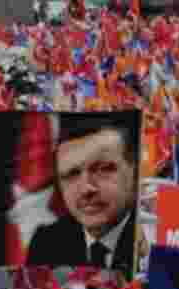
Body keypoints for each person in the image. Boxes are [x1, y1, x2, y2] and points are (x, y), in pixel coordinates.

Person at [26, 118, 138, 276]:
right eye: (71, 174)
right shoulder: (46, 242)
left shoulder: (152, 236)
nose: (86, 189)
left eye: (103, 169)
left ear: (134, 172)